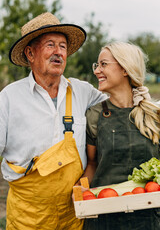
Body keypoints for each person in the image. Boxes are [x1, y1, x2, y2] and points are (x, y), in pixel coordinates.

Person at [0, 12, 107, 230]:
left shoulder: (83, 91)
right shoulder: (9, 98)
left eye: (63, 47)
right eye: (50, 45)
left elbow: (118, 102)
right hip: (27, 216)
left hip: (73, 214)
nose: (58, 52)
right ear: (30, 53)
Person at [83, 41, 160, 230]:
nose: (97, 71)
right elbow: (92, 164)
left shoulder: (154, 115)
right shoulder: (95, 115)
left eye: (104, 64)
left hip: (149, 217)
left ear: (125, 69)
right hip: (103, 217)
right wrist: (82, 191)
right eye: (96, 65)